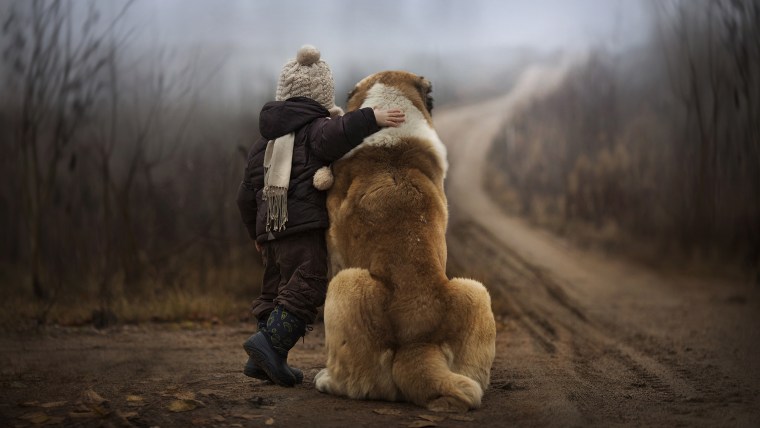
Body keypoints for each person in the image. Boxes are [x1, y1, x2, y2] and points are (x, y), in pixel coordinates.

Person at [236, 45, 405, 386]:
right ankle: (269, 345)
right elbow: (339, 133)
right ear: (321, 96)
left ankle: (265, 360)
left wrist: (256, 233)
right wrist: (374, 117)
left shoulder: (261, 145)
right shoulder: (315, 130)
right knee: (308, 286)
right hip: (301, 228)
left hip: (270, 231)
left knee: (275, 291)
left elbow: (244, 195)